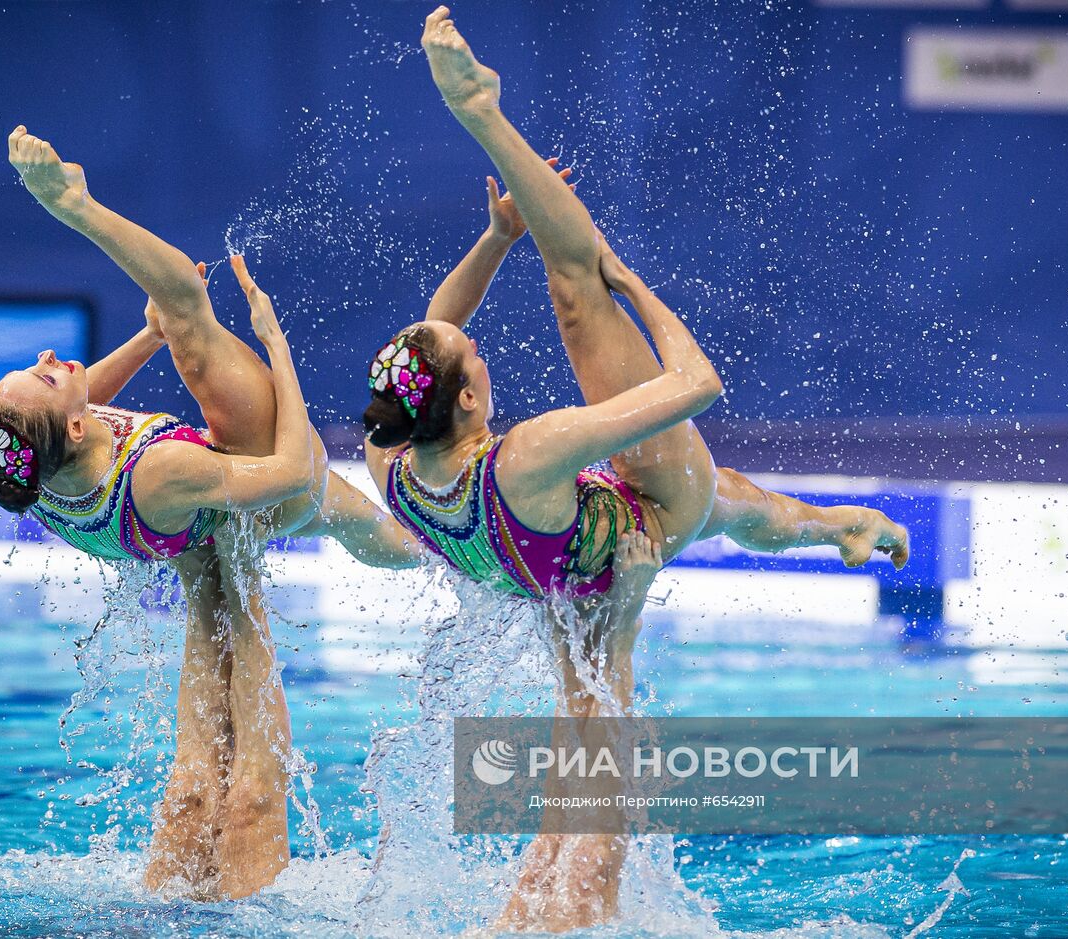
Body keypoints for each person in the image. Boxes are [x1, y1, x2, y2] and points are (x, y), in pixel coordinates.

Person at [357, 9, 911, 930]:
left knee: (587, 748)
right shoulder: (529, 453)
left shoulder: (394, 463)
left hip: (558, 570)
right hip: (639, 524)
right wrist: (630, 284)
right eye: (474, 357)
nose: (478, 346)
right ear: (463, 402)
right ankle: (485, 110)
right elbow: (697, 382)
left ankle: (835, 523)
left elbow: (433, 332)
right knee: (576, 292)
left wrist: (498, 237)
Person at [0, 128, 421, 900]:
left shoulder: (36, 475)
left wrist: (143, 340)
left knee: (193, 781)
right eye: (44, 378)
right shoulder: (161, 467)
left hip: (188, 533)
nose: (52, 362)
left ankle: (174, 899)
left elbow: (86, 409)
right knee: (194, 320)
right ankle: (79, 205)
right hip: (267, 483)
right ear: (76, 430)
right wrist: (278, 351)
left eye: (36, 366)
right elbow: (285, 467)